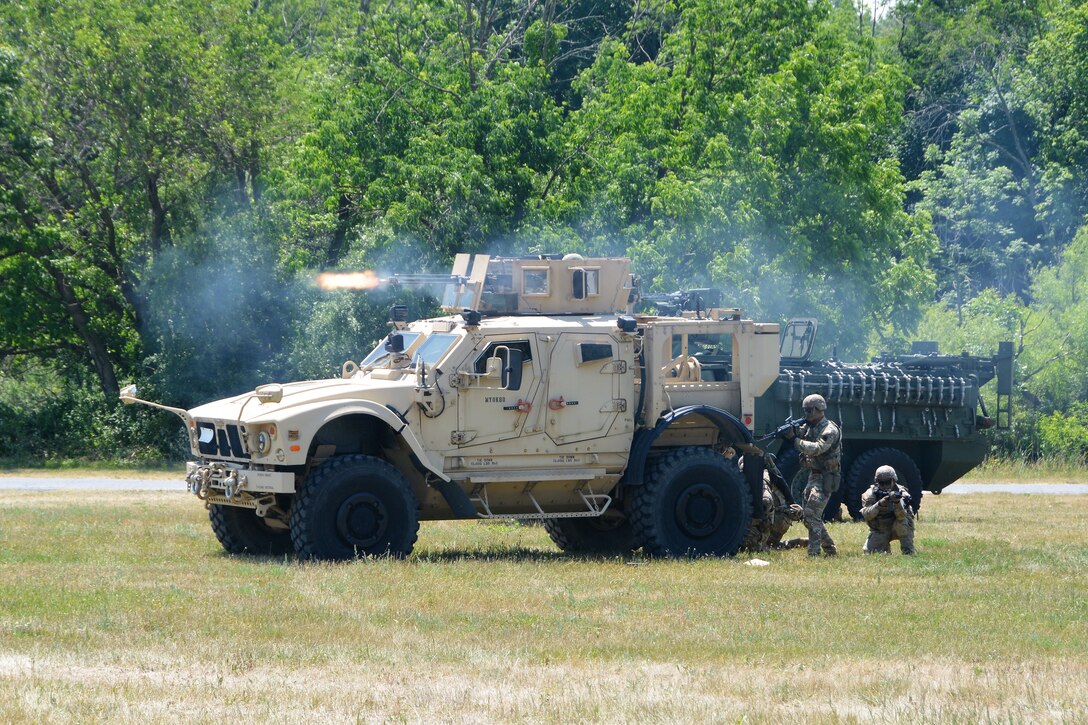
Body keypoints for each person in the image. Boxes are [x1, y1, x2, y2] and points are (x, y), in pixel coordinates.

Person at [783, 393, 840, 557]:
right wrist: (791, 431)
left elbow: (817, 448)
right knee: (810, 517)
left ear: (819, 409)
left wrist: (794, 439)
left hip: (826, 476)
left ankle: (814, 552)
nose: (806, 414)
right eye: (804, 410)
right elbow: (803, 435)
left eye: (809, 410)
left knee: (810, 515)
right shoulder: (810, 427)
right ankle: (830, 549)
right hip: (814, 476)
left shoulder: (829, 430)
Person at [739, 449, 806, 552]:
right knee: (772, 545)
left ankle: (762, 545)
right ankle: (797, 542)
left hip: (776, 518)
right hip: (780, 518)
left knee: (746, 544)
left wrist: (760, 529)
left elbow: (766, 502)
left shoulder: (759, 478)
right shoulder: (764, 474)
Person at [860, 465, 916, 554]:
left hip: (898, 526)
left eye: (888, 482)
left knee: (903, 524)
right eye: (882, 483)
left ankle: (908, 551)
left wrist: (897, 503)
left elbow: (902, 517)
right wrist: (879, 504)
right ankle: (885, 549)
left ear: (894, 480)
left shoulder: (902, 493)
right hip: (880, 528)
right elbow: (866, 516)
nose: (885, 486)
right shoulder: (871, 494)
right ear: (877, 482)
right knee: (870, 553)